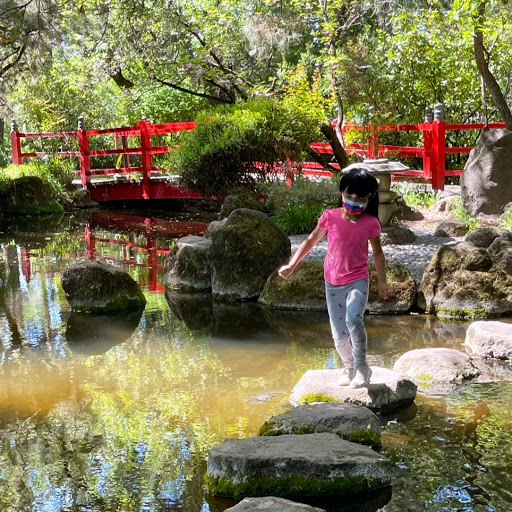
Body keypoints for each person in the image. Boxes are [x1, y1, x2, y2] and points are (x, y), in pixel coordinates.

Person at [278, 168, 395, 389]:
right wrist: (292, 264)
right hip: (333, 282)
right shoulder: (329, 217)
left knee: (353, 320)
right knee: (339, 335)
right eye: (349, 196)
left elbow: (378, 253)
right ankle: (348, 367)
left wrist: (382, 281)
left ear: (369, 199)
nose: (353, 202)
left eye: (360, 198)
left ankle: (361, 367)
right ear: (342, 192)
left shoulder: (370, 223)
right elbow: (311, 240)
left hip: (358, 279)